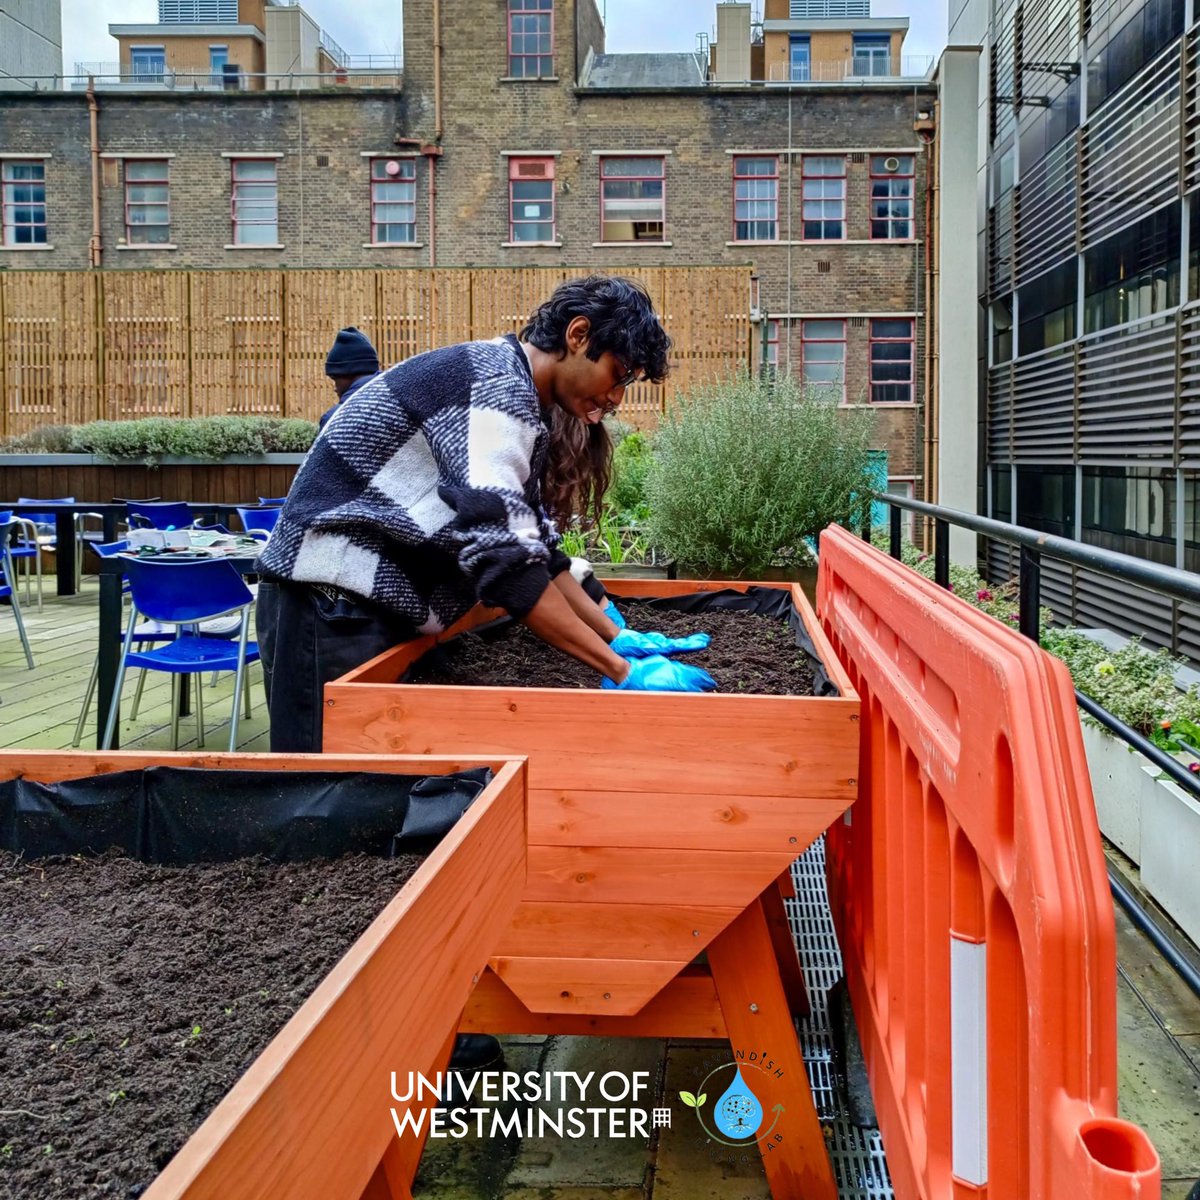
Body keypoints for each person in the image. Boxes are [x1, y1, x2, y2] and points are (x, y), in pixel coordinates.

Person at [255, 273, 714, 756]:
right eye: (619, 374)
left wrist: (616, 636)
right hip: (328, 600)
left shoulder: (520, 398)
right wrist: (620, 670)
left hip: (360, 604)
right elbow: (508, 566)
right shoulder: (495, 388)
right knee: (322, 777)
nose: (617, 398)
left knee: (369, 778)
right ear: (578, 335)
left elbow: (536, 551)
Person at [319, 326, 381, 430]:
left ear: (348, 373)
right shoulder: (399, 404)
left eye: (335, 379)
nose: (335, 388)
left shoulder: (334, 420)